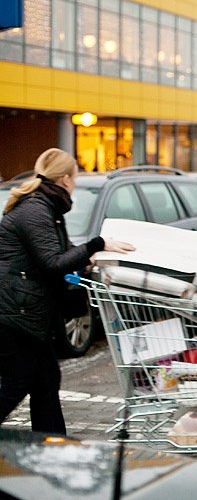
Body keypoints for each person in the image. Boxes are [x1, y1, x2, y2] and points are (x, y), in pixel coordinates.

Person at [0, 148, 135, 434]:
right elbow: (52, 263)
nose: (75, 184)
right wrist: (96, 244)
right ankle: (51, 445)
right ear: (65, 179)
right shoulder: (35, 210)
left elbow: (61, 253)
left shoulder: (46, 207)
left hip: (25, 311)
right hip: (15, 313)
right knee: (18, 382)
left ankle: (52, 446)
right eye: (75, 178)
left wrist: (89, 257)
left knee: (46, 379)